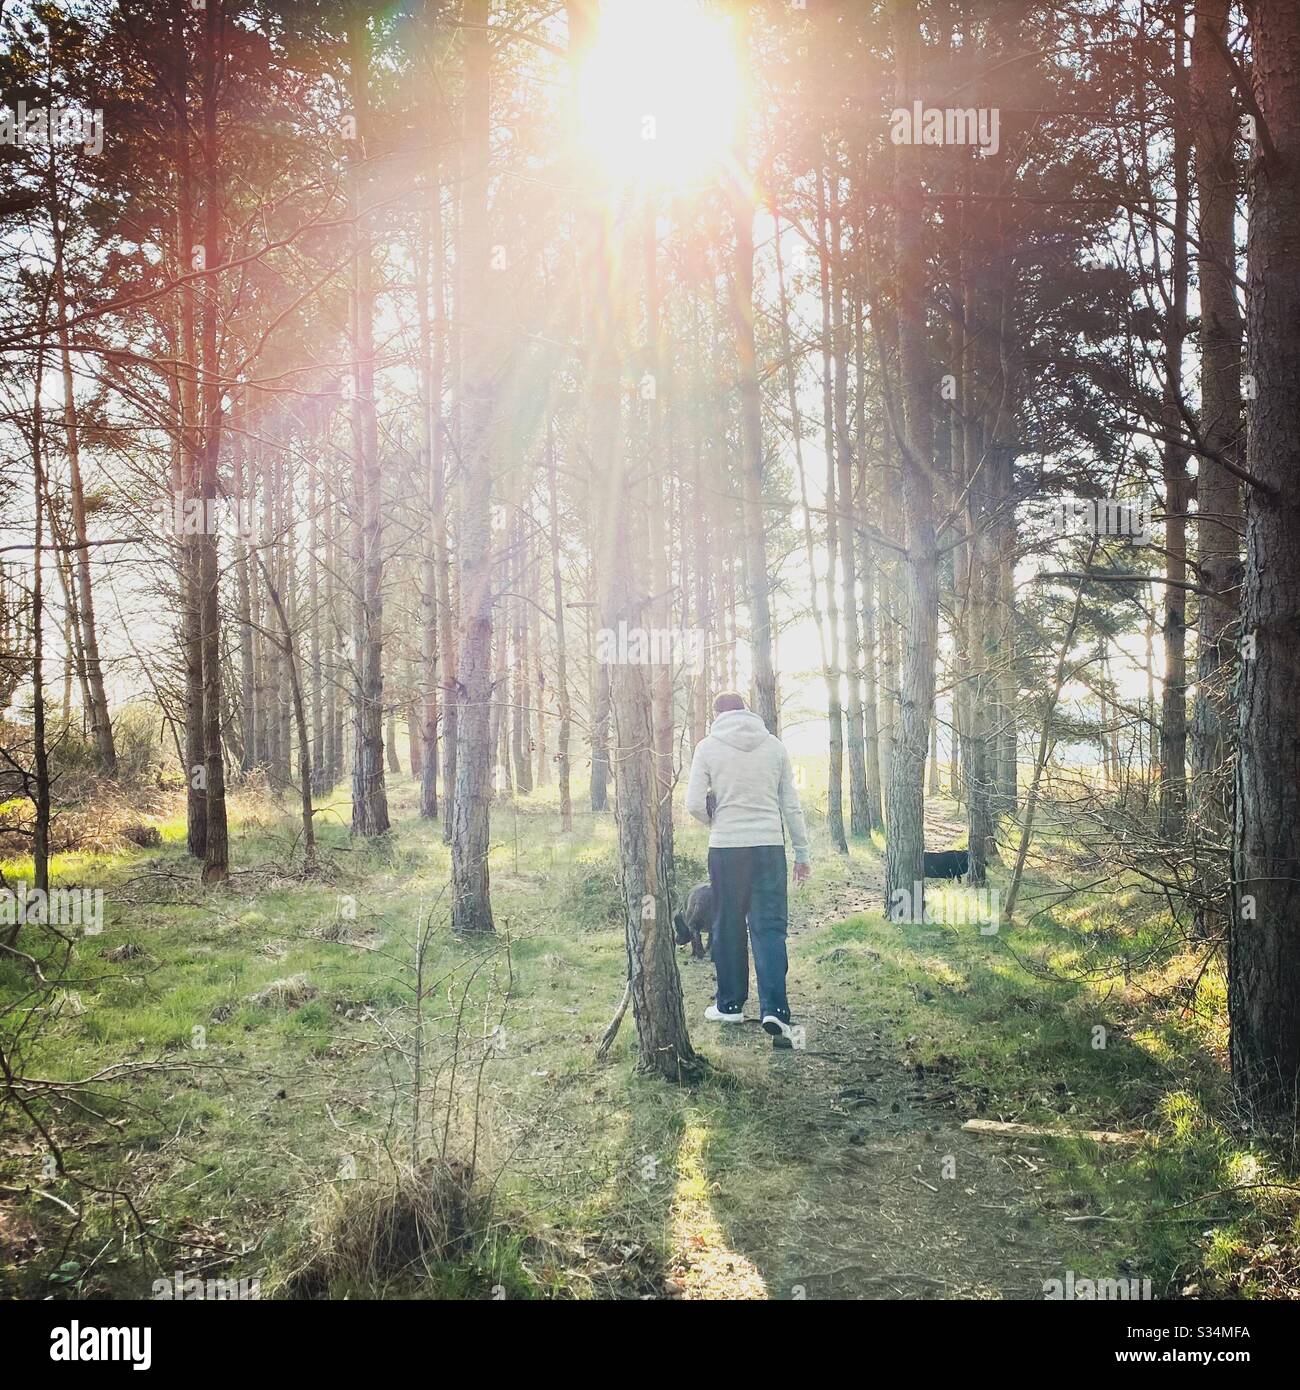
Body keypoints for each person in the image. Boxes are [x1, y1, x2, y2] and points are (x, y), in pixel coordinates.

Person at [684, 691, 811, 1043]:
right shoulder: (774, 747)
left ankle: (729, 1005)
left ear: (716, 714)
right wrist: (802, 853)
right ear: (747, 710)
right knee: (769, 928)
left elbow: (693, 803)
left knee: (727, 925)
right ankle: (776, 1011)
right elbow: (791, 805)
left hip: (726, 848)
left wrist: (714, 821)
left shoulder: (707, 747)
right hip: (769, 846)